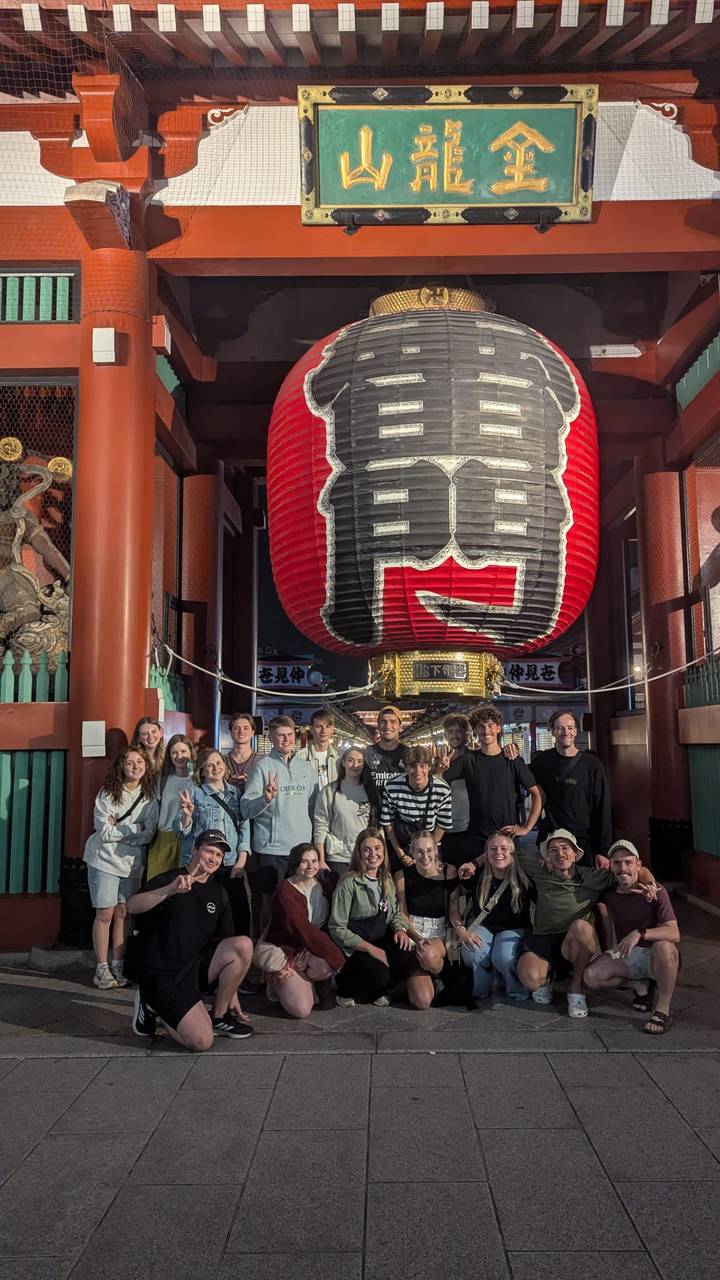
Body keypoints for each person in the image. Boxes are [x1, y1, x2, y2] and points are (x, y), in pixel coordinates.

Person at [506, 828, 656, 1019]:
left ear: (575, 854)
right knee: (530, 979)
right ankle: (549, 977)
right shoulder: (539, 870)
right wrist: (523, 828)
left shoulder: (592, 877)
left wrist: (650, 883)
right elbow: (506, 853)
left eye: (565, 848)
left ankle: (576, 989)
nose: (560, 854)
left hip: (574, 939)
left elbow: (638, 869)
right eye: (553, 850)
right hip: (543, 937)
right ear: (547, 856)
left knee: (581, 927)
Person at [126, 829, 254, 1048]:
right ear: (195, 849)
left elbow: (229, 943)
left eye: (219, 855)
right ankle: (150, 1004)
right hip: (163, 973)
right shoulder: (171, 878)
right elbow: (132, 905)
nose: (214, 858)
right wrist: (169, 890)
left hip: (193, 968)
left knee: (243, 944)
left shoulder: (219, 893)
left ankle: (219, 1016)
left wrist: (231, 991)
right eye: (209, 851)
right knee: (201, 1041)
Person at [584, 839, 680, 1034]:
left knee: (664, 946)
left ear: (638, 865)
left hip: (656, 955)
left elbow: (674, 932)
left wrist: (639, 933)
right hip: (628, 955)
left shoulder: (655, 892)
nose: (623, 868)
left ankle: (663, 1009)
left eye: (628, 862)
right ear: (610, 866)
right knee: (591, 977)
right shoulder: (610, 893)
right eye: (617, 863)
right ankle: (639, 985)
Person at [83, 747, 159, 989]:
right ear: (121, 767)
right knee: (104, 913)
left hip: (131, 863)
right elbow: (104, 833)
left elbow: (149, 834)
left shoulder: (149, 797)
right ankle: (101, 968)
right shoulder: (108, 793)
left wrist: (124, 828)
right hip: (104, 860)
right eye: (129, 763)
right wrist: (135, 827)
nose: (135, 767)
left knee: (123, 914)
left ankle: (118, 963)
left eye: (140, 762)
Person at [255, 843, 345, 1018]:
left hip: (306, 946)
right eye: (304, 862)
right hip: (285, 947)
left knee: (324, 967)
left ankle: (302, 979)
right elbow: (301, 928)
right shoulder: (286, 890)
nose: (310, 866)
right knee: (302, 1010)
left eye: (314, 861)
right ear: (295, 864)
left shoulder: (324, 885)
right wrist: (338, 958)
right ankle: (277, 979)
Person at [329, 827, 416, 1007]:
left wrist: (400, 929)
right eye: (366, 849)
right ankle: (344, 988)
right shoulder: (349, 883)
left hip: (379, 939)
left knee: (406, 952)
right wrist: (369, 948)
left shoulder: (387, 880)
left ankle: (377, 990)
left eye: (377, 848)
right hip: (356, 946)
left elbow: (393, 915)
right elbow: (337, 927)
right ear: (359, 853)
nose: (373, 854)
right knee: (380, 973)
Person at [444, 704, 542, 860]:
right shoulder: (468, 760)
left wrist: (526, 828)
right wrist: (440, 766)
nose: (485, 730)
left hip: (507, 837)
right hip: (476, 838)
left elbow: (537, 794)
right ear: (475, 731)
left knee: (508, 881)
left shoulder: (512, 760)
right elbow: (438, 781)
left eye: (490, 725)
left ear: (498, 728)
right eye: (480, 726)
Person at [240, 715, 318, 904]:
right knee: (272, 903)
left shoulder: (306, 768)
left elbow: (313, 809)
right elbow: (246, 809)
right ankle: (269, 935)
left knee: (300, 902)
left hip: (301, 850)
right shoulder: (261, 767)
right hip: (271, 850)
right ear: (271, 739)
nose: (286, 740)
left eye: (290, 734)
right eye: (281, 735)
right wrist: (265, 798)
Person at [176, 748, 252, 937]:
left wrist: (241, 862)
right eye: (209, 765)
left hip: (229, 863)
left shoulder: (236, 793)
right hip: (200, 865)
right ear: (202, 770)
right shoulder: (194, 793)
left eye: (219, 763)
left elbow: (244, 829)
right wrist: (186, 816)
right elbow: (181, 832)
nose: (215, 768)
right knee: (200, 913)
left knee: (237, 913)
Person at [450, 831, 533, 1003]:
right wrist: (461, 930)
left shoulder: (524, 877)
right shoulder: (478, 877)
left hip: (514, 928)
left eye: (503, 848)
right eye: (493, 849)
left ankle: (515, 989)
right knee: (472, 951)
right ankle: (482, 988)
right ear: (486, 854)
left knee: (503, 956)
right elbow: (453, 898)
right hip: (484, 925)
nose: (498, 853)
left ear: (512, 853)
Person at [531, 709, 612, 866]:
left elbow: (602, 807)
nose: (565, 732)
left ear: (575, 731)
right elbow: (520, 781)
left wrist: (602, 850)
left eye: (569, 727)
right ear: (553, 731)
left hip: (583, 842)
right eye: (560, 728)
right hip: (551, 842)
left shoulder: (592, 765)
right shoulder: (542, 762)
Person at [395, 830, 457, 1010]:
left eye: (429, 850)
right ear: (412, 853)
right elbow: (402, 913)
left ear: (436, 851)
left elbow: (454, 911)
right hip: (413, 931)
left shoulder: (448, 871)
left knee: (429, 955)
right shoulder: (402, 875)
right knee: (422, 1002)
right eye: (419, 851)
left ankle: (442, 976)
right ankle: (417, 981)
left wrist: (460, 929)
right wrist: (416, 938)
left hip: (438, 930)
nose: (425, 856)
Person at [381, 744, 453, 874]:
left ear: (429, 767)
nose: (418, 771)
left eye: (422, 766)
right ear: (405, 767)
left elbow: (443, 824)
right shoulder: (392, 786)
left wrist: (428, 853)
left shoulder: (442, 789)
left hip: (430, 845)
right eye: (412, 766)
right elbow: (388, 823)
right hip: (402, 846)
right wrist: (401, 855)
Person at [313, 745, 380, 877]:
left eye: (360, 761)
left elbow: (378, 828)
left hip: (365, 858)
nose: (355, 765)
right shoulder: (329, 792)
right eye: (350, 760)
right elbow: (320, 826)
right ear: (343, 763)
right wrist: (321, 860)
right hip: (337, 860)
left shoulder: (371, 793)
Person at [146, 733, 196, 880]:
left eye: (183, 751)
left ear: (190, 753)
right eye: (174, 752)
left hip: (188, 841)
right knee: (156, 886)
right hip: (164, 839)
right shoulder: (163, 779)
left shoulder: (197, 779)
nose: (179, 756)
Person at [435, 713, 471, 868]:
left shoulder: (473, 759)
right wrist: (439, 770)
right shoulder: (444, 762)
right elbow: (435, 788)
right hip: (445, 829)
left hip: (469, 829)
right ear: (445, 735)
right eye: (450, 731)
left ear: (466, 734)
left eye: (458, 731)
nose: (454, 735)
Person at [364, 705, 406, 794]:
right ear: (378, 726)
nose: (388, 726)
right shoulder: (367, 753)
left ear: (400, 726)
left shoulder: (408, 754)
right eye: (383, 722)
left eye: (393, 721)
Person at [297, 709, 340, 794]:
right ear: (311, 729)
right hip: (309, 805)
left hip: (332, 805)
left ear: (332, 729)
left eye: (327, 726)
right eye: (319, 726)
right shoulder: (300, 757)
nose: (323, 731)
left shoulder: (339, 757)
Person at [224, 711, 262, 793]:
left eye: (246, 728)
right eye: (237, 728)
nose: (241, 731)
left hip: (253, 805)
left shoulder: (263, 761)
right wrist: (228, 784)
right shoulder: (221, 761)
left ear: (252, 733)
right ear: (231, 732)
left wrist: (251, 783)